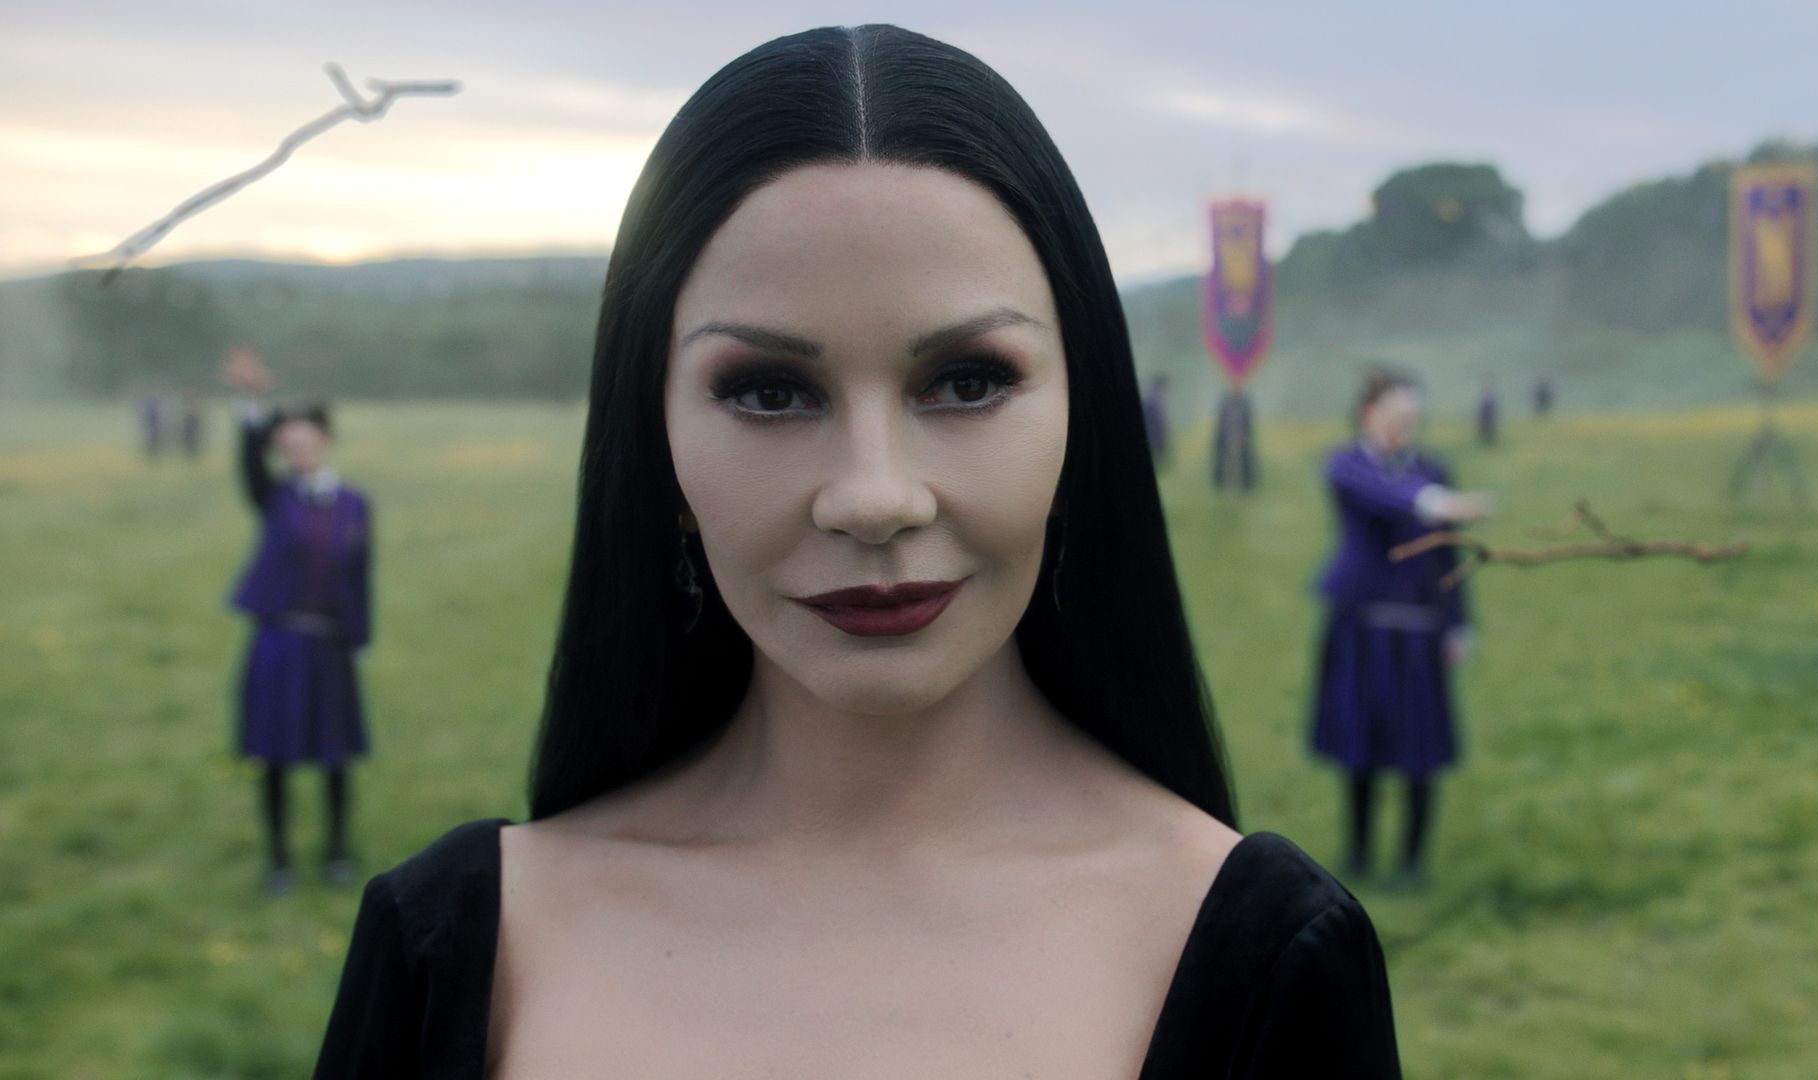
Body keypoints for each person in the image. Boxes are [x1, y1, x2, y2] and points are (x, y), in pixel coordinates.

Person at [315, 25, 1400, 1078]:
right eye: (769, 391)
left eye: (967, 381)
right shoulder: (455, 942)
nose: (873, 498)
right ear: (657, 444)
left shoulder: (1263, 953)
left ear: (1086, 422)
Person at [1311, 370, 1493, 890]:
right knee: (1359, 746)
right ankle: (1359, 856)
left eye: (1412, 419)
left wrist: (1458, 626)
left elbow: (1447, 555)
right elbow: (1382, 496)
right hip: (1361, 628)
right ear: (1368, 414)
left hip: (1419, 632)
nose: (1404, 428)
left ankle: (1413, 864)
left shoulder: (1433, 468)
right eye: (1395, 417)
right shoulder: (1346, 466)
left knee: (1420, 749)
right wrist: (1434, 503)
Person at [220, 347, 372, 896]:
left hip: (331, 645)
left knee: (336, 758)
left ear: (324, 440)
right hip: (277, 644)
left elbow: (360, 577)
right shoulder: (273, 497)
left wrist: (358, 638)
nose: (299, 447)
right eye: (289, 441)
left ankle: (336, 852)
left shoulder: (355, 504)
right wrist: (251, 400)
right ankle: (279, 860)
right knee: (275, 758)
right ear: (282, 448)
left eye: (307, 438)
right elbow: (248, 461)